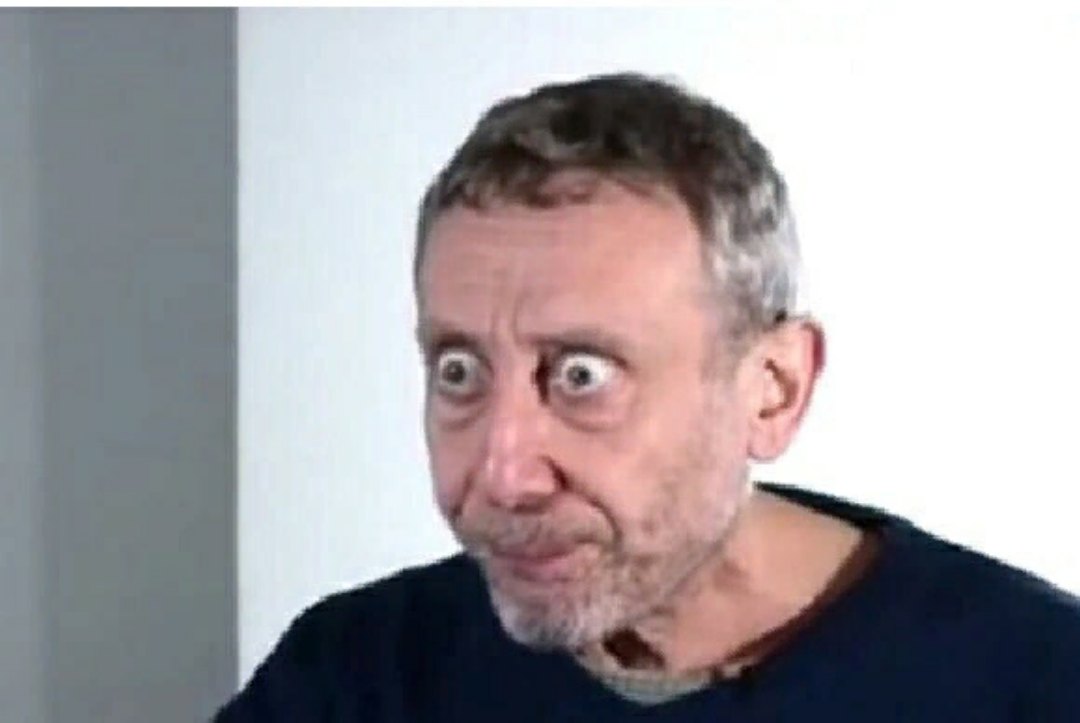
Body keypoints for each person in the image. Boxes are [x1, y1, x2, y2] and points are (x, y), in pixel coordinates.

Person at [215, 73, 1080, 721]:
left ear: (773, 390)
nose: (503, 476)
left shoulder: (1036, 681)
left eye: (581, 376)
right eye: (460, 372)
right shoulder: (356, 676)